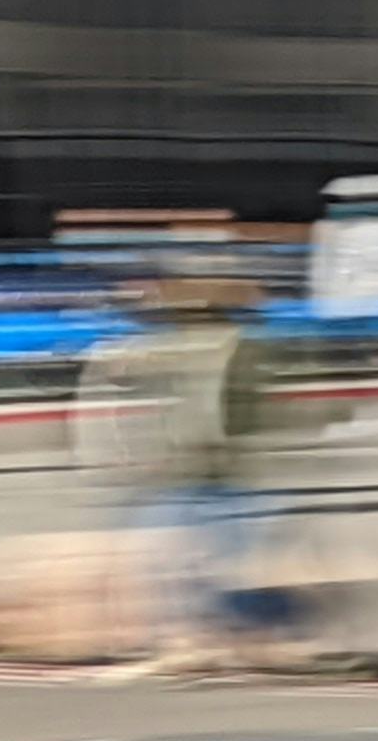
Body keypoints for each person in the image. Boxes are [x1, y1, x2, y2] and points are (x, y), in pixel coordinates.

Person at [78, 277, 278, 678]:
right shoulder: (188, 345)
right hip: (191, 475)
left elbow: (228, 411)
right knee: (176, 563)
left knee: (207, 565)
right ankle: (198, 641)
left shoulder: (229, 347)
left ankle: (216, 641)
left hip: (214, 475)